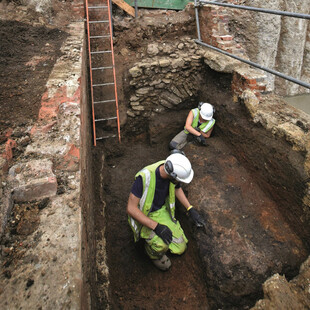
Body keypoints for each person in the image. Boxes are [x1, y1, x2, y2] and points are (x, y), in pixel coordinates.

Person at [127, 151, 205, 271]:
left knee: (180, 247)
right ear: (173, 176)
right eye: (179, 180)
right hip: (144, 216)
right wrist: (156, 226)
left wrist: (190, 208)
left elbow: (177, 189)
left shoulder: (170, 167)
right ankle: (152, 254)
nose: (180, 183)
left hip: (161, 212)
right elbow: (131, 208)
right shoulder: (144, 177)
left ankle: (159, 244)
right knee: (160, 246)